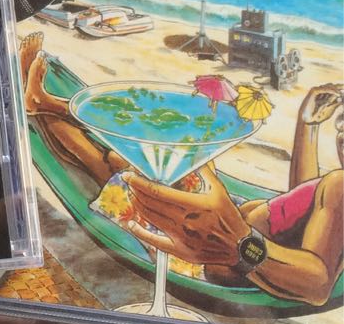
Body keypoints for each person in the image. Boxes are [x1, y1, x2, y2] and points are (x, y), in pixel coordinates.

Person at [20, 32, 343, 306]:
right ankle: (43, 103)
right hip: (222, 223)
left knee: (106, 162)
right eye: (341, 124)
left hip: (204, 242)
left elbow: (317, 286)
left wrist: (240, 243)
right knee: (124, 156)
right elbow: (308, 209)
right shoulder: (336, 186)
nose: (341, 133)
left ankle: (39, 104)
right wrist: (308, 128)